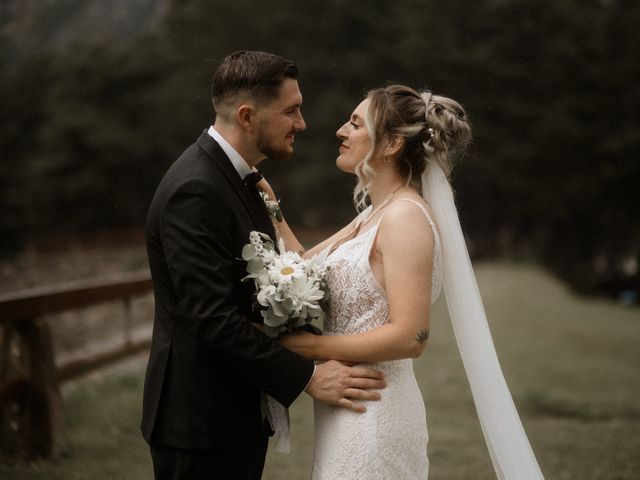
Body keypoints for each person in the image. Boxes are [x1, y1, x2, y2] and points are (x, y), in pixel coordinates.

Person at [266, 85, 544, 479]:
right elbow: (302, 267)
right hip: (347, 409)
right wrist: (269, 204)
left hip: (376, 410)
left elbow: (411, 336)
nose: (341, 131)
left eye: (356, 123)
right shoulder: (373, 215)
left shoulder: (405, 218)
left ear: (392, 143)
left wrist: (310, 346)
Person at [141, 51, 386, 480]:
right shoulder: (196, 189)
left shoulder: (241, 181)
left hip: (229, 416)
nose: (302, 123)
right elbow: (212, 318)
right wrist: (307, 377)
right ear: (248, 116)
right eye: (291, 110)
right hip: (198, 422)